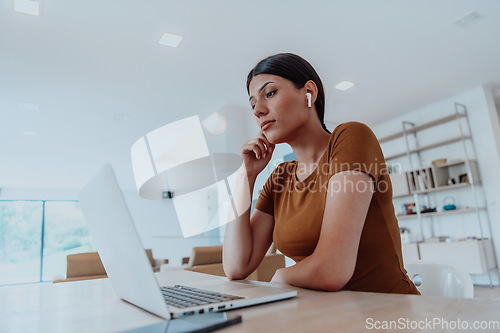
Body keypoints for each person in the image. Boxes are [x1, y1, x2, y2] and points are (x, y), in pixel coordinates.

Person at [223, 53, 419, 294]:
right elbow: (236, 266)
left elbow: (332, 270)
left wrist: (281, 276)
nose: (258, 110)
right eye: (253, 104)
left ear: (309, 92)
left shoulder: (351, 137)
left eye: (270, 93)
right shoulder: (280, 177)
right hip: (324, 314)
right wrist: (245, 177)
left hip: (386, 314)